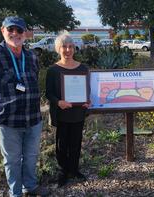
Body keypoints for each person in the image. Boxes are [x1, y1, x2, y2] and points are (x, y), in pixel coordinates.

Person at [0, 16, 49, 196]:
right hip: (8, 121)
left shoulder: (31, 56)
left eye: (19, 30)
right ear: (3, 31)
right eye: (11, 29)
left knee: (31, 157)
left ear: (25, 34)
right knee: (12, 160)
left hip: (33, 118)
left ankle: (29, 186)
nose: (15, 33)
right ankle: (15, 192)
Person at [45, 33, 90, 187]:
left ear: (74, 49)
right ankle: (63, 172)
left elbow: (88, 89)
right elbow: (48, 93)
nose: (68, 49)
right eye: (64, 46)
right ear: (58, 49)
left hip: (78, 113)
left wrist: (88, 100)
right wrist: (59, 102)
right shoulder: (53, 70)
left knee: (76, 143)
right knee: (61, 144)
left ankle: (74, 170)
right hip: (62, 113)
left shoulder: (83, 68)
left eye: (71, 46)